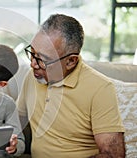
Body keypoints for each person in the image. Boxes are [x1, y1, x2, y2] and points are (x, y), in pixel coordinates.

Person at [17, 14, 125, 157]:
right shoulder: (32, 77)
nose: (33, 64)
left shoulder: (101, 89)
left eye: (43, 60)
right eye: (32, 53)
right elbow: (17, 122)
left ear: (71, 61)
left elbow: (113, 155)